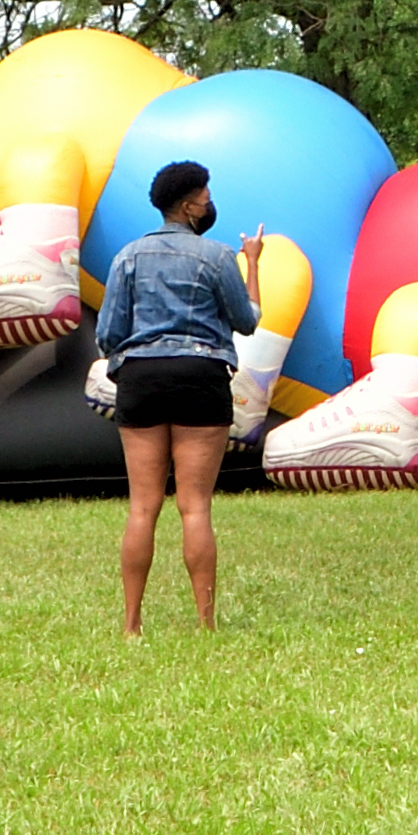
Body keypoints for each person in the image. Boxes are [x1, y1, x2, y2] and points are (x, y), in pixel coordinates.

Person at [96, 160, 266, 634]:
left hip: (141, 380)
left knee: (142, 507)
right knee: (195, 507)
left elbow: (108, 332)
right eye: (206, 197)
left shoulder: (127, 257)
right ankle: (205, 624)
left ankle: (131, 626)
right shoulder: (215, 256)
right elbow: (248, 319)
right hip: (201, 376)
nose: (210, 204)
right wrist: (251, 260)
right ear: (190, 204)